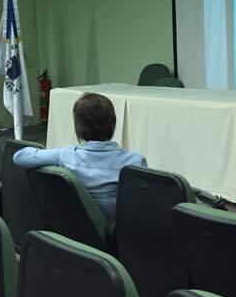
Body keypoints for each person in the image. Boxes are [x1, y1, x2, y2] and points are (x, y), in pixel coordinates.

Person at [13, 92, 146, 222]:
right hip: (121, 232)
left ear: (79, 128)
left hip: (76, 229)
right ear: (113, 124)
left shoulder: (65, 156)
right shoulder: (135, 161)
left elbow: (19, 156)